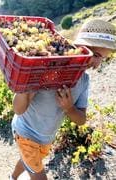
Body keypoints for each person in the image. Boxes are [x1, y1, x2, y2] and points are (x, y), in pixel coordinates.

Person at [10, 19, 116, 180]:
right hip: (25, 132)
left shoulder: (84, 81)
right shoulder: (48, 68)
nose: (97, 63)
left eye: (102, 59)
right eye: (95, 55)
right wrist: (26, 85)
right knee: (38, 173)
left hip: (46, 137)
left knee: (31, 161)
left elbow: (81, 120)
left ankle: (12, 177)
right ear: (79, 47)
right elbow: (18, 109)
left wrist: (69, 108)